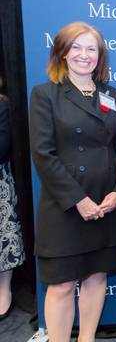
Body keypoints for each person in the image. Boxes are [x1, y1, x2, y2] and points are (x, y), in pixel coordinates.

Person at [29, 22, 116, 342]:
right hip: (66, 206)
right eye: (76, 47)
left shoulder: (112, 94)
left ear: (100, 56)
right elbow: (43, 155)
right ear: (61, 52)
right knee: (60, 284)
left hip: (106, 202)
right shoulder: (45, 94)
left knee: (97, 275)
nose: (84, 55)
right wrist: (78, 200)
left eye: (91, 49)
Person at [0, 79, 25, 322]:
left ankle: (3, 291)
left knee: (4, 238)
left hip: (0, 183)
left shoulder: (2, 106)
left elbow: (2, 146)